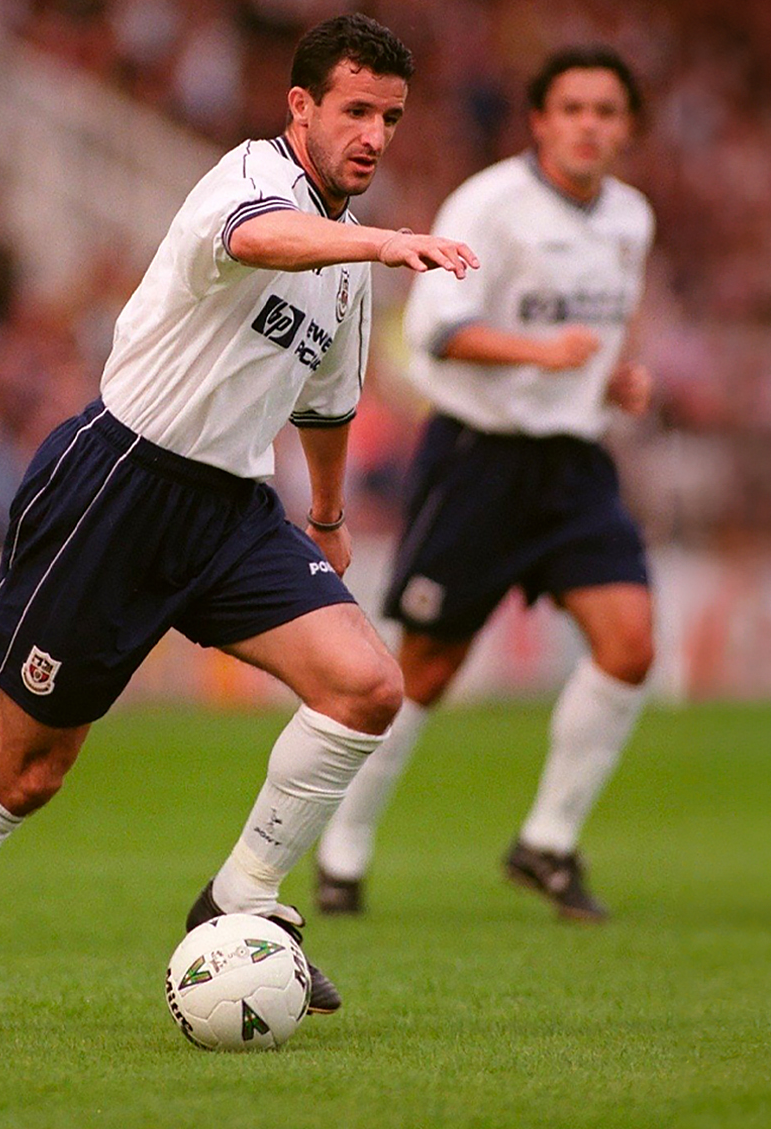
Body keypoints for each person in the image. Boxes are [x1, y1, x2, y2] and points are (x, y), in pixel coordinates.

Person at [0, 13, 479, 1030]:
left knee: (366, 687)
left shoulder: (348, 264)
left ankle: (241, 898)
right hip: (120, 485)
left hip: (232, 510)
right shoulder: (249, 179)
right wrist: (384, 239)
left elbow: (327, 399)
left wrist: (326, 514)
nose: (373, 134)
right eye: (355, 110)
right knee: (30, 767)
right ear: (302, 107)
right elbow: (257, 239)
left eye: (391, 118)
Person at [313, 46, 656, 923]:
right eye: (572, 108)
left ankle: (547, 842)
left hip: (574, 463)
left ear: (626, 128)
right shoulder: (489, 205)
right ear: (539, 121)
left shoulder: (631, 217)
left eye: (606, 111)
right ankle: (343, 849)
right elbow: (437, 329)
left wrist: (615, 378)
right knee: (425, 668)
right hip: (479, 459)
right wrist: (540, 353)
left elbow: (604, 326)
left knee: (630, 646)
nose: (589, 125)